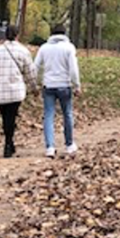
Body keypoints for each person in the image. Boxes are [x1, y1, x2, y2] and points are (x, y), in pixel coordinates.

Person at [0, 25, 36, 158]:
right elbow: (30, 72)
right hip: (16, 91)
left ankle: (8, 142)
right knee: (11, 116)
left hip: (0, 91)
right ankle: (9, 142)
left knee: (5, 117)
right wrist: (34, 87)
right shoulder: (23, 51)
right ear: (17, 35)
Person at [33, 23, 82, 158]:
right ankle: (69, 144)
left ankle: (50, 146)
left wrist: (34, 83)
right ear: (64, 34)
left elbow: (35, 66)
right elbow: (73, 69)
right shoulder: (69, 48)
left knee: (49, 115)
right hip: (64, 85)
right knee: (67, 114)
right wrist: (77, 85)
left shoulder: (44, 48)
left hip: (48, 85)